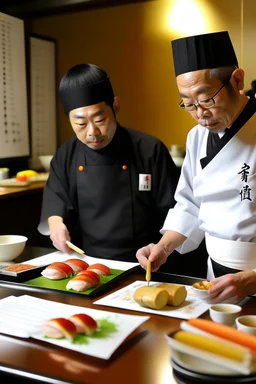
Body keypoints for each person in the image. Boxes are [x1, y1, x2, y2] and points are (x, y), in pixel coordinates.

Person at [136, 31, 256, 302]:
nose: (200, 114)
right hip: (216, 276)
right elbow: (190, 203)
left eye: (205, 99)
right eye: (188, 104)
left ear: (237, 80)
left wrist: (251, 280)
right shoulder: (197, 137)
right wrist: (163, 247)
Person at [37, 63, 180, 262]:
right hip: (90, 262)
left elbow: (176, 211)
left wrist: (161, 250)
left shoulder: (149, 149)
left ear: (116, 106)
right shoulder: (66, 154)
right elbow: (55, 204)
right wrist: (56, 226)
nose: (92, 132)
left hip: (145, 262)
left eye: (100, 120)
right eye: (80, 124)